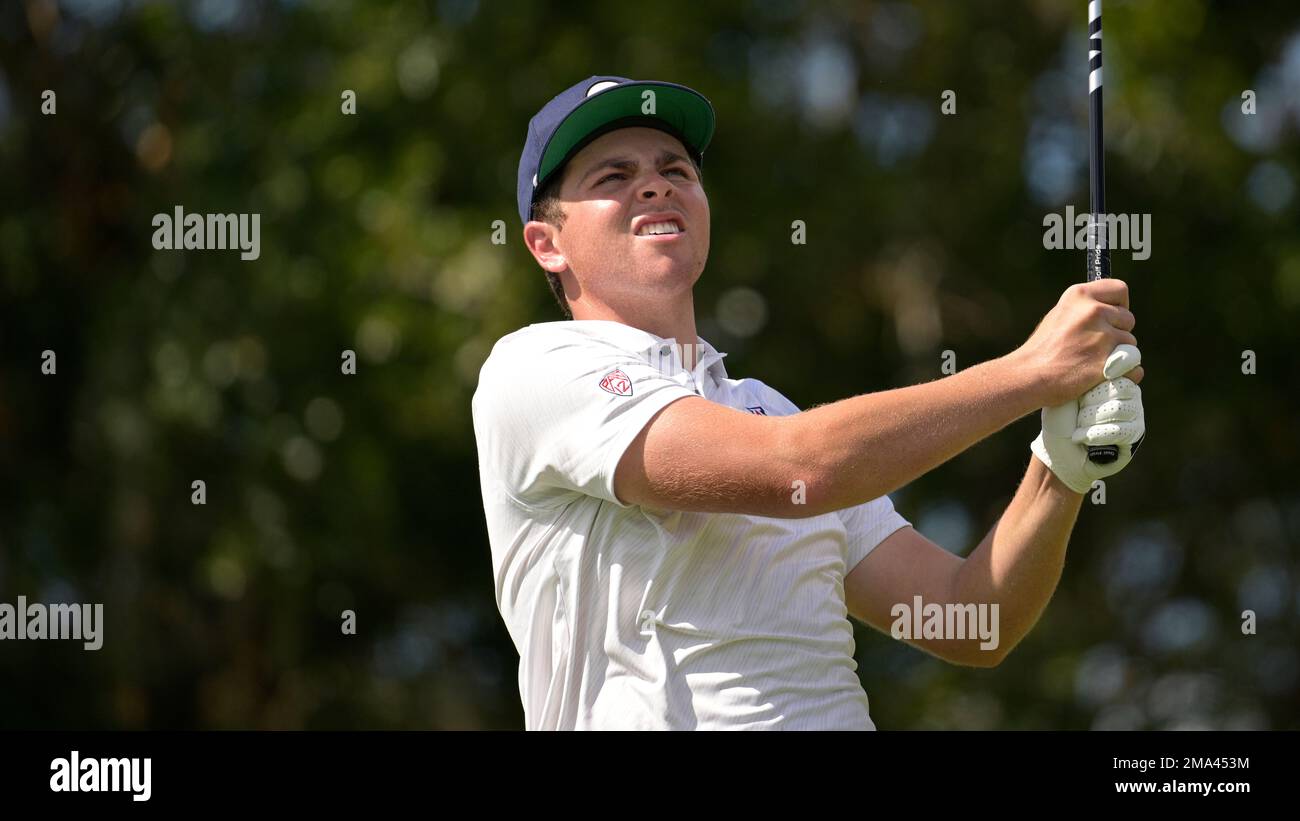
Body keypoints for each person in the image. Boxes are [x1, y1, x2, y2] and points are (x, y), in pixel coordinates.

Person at [471, 76, 1146, 730]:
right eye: (611, 177)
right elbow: (801, 470)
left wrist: (1060, 466)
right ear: (547, 244)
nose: (656, 182)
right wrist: (1032, 371)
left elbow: (971, 618)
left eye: (676, 168)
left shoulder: (771, 410)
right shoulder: (533, 368)